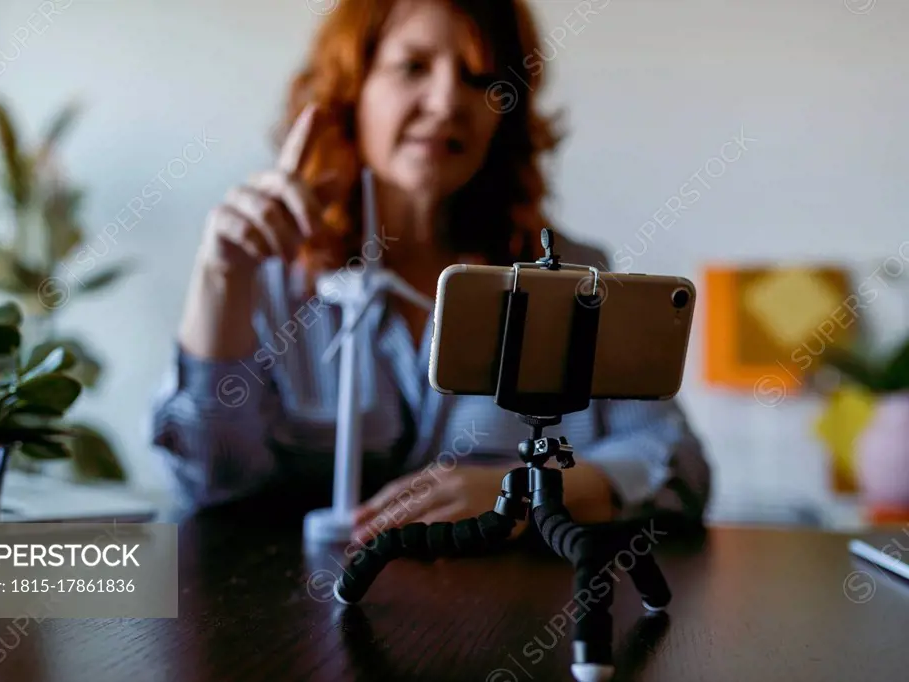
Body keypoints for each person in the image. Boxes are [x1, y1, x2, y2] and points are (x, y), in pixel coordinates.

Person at [151, 0, 711, 544]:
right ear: (352, 91)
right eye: (413, 66)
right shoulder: (267, 275)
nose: (447, 101)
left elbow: (677, 466)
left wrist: (522, 493)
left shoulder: (574, 281)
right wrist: (222, 279)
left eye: (479, 77)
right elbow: (209, 480)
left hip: (506, 625)